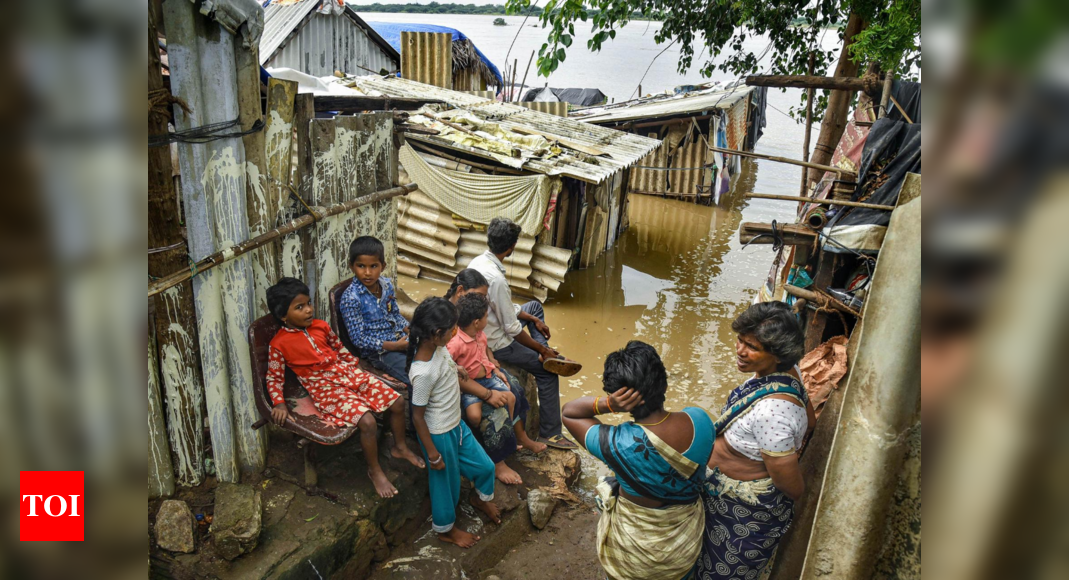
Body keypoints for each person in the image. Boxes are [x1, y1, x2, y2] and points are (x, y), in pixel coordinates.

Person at [561, 341, 713, 580]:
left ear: (619, 396)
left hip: (632, 556)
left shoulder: (615, 443)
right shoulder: (700, 421)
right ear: (662, 380)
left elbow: (569, 412)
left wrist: (608, 404)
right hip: (682, 550)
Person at [264, 277, 424, 499]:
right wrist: (279, 403)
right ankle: (374, 470)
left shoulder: (321, 326)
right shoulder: (278, 344)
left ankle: (399, 447)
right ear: (283, 315)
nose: (309, 310)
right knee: (366, 421)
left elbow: (338, 348)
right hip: (324, 387)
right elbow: (273, 376)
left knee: (396, 401)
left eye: (308, 303)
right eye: (299, 307)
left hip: (346, 374)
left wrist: (356, 368)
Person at [696, 301, 815, 580]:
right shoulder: (785, 374)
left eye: (752, 347)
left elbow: (791, 486)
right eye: (740, 340)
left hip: (742, 516)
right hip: (723, 505)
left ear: (777, 354)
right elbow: (811, 419)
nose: (740, 350)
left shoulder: (773, 412)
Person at [468, 217, 578, 450]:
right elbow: (512, 329)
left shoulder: (477, 261)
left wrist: (531, 317)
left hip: (489, 324)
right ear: (511, 248)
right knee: (548, 375)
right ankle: (551, 433)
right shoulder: (496, 279)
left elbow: (505, 310)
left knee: (534, 308)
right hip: (498, 342)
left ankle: (546, 356)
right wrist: (541, 348)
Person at [407, 296, 501, 548]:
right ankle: (446, 530)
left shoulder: (438, 348)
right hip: (439, 433)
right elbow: (417, 415)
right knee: (445, 486)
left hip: (456, 424)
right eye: (453, 329)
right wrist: (432, 454)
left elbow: (446, 364)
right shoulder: (422, 372)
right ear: (437, 333)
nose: (456, 333)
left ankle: (480, 499)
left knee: (485, 467)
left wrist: (456, 369)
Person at [448, 293, 546, 484]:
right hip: (471, 385)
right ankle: (492, 454)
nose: (488, 319)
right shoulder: (456, 343)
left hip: (488, 377)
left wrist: (494, 368)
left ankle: (516, 438)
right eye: (486, 316)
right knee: (476, 416)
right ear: (477, 322)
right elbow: (448, 367)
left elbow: (484, 352)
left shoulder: (479, 335)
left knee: (511, 394)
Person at [339, 236, 411, 386]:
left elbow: (395, 314)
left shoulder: (386, 285)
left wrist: (408, 328)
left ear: (382, 266)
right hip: (380, 352)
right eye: (361, 266)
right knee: (415, 376)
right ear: (351, 266)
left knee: (432, 359)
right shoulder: (351, 298)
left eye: (373, 266)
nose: (367, 272)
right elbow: (358, 338)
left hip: (400, 338)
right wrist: (393, 346)